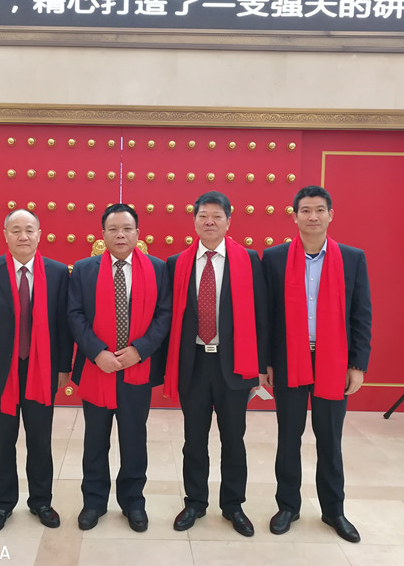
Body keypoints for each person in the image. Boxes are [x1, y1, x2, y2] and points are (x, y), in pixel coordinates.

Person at [261, 185, 371, 543]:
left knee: (330, 439)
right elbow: (267, 316)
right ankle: (287, 506)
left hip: (333, 361)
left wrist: (358, 364)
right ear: (295, 216)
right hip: (289, 360)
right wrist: (266, 362)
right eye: (305, 210)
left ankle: (334, 510)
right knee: (288, 437)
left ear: (330, 215)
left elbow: (361, 315)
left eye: (319, 210)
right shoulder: (274, 258)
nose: (312, 216)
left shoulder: (352, 258)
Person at [164, 191, 268, 537]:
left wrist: (260, 366)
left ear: (228, 221)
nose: (209, 222)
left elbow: (261, 315)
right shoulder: (177, 263)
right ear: (194, 221)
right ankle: (195, 502)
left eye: (217, 216)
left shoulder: (247, 259)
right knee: (193, 439)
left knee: (233, 439)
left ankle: (233, 504)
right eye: (203, 216)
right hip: (194, 364)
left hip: (234, 365)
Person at [67, 203, 172, 532]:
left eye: (127, 229)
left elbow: (164, 315)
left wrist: (140, 350)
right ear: (103, 234)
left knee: (134, 439)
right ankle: (94, 502)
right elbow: (74, 315)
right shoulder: (84, 269)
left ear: (138, 233)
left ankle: (133, 502)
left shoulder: (157, 269)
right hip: (96, 368)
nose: (120, 235)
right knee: (95, 441)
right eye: (113, 229)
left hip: (136, 369)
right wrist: (97, 352)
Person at [0, 209, 73, 534]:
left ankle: (41, 501)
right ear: (5, 235)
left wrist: (63, 367)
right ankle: (1, 504)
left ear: (40, 234)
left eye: (29, 229)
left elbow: (63, 325)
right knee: (3, 441)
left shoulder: (58, 272)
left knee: (40, 440)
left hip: (42, 369)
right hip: (1, 371)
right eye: (16, 230)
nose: (23, 236)